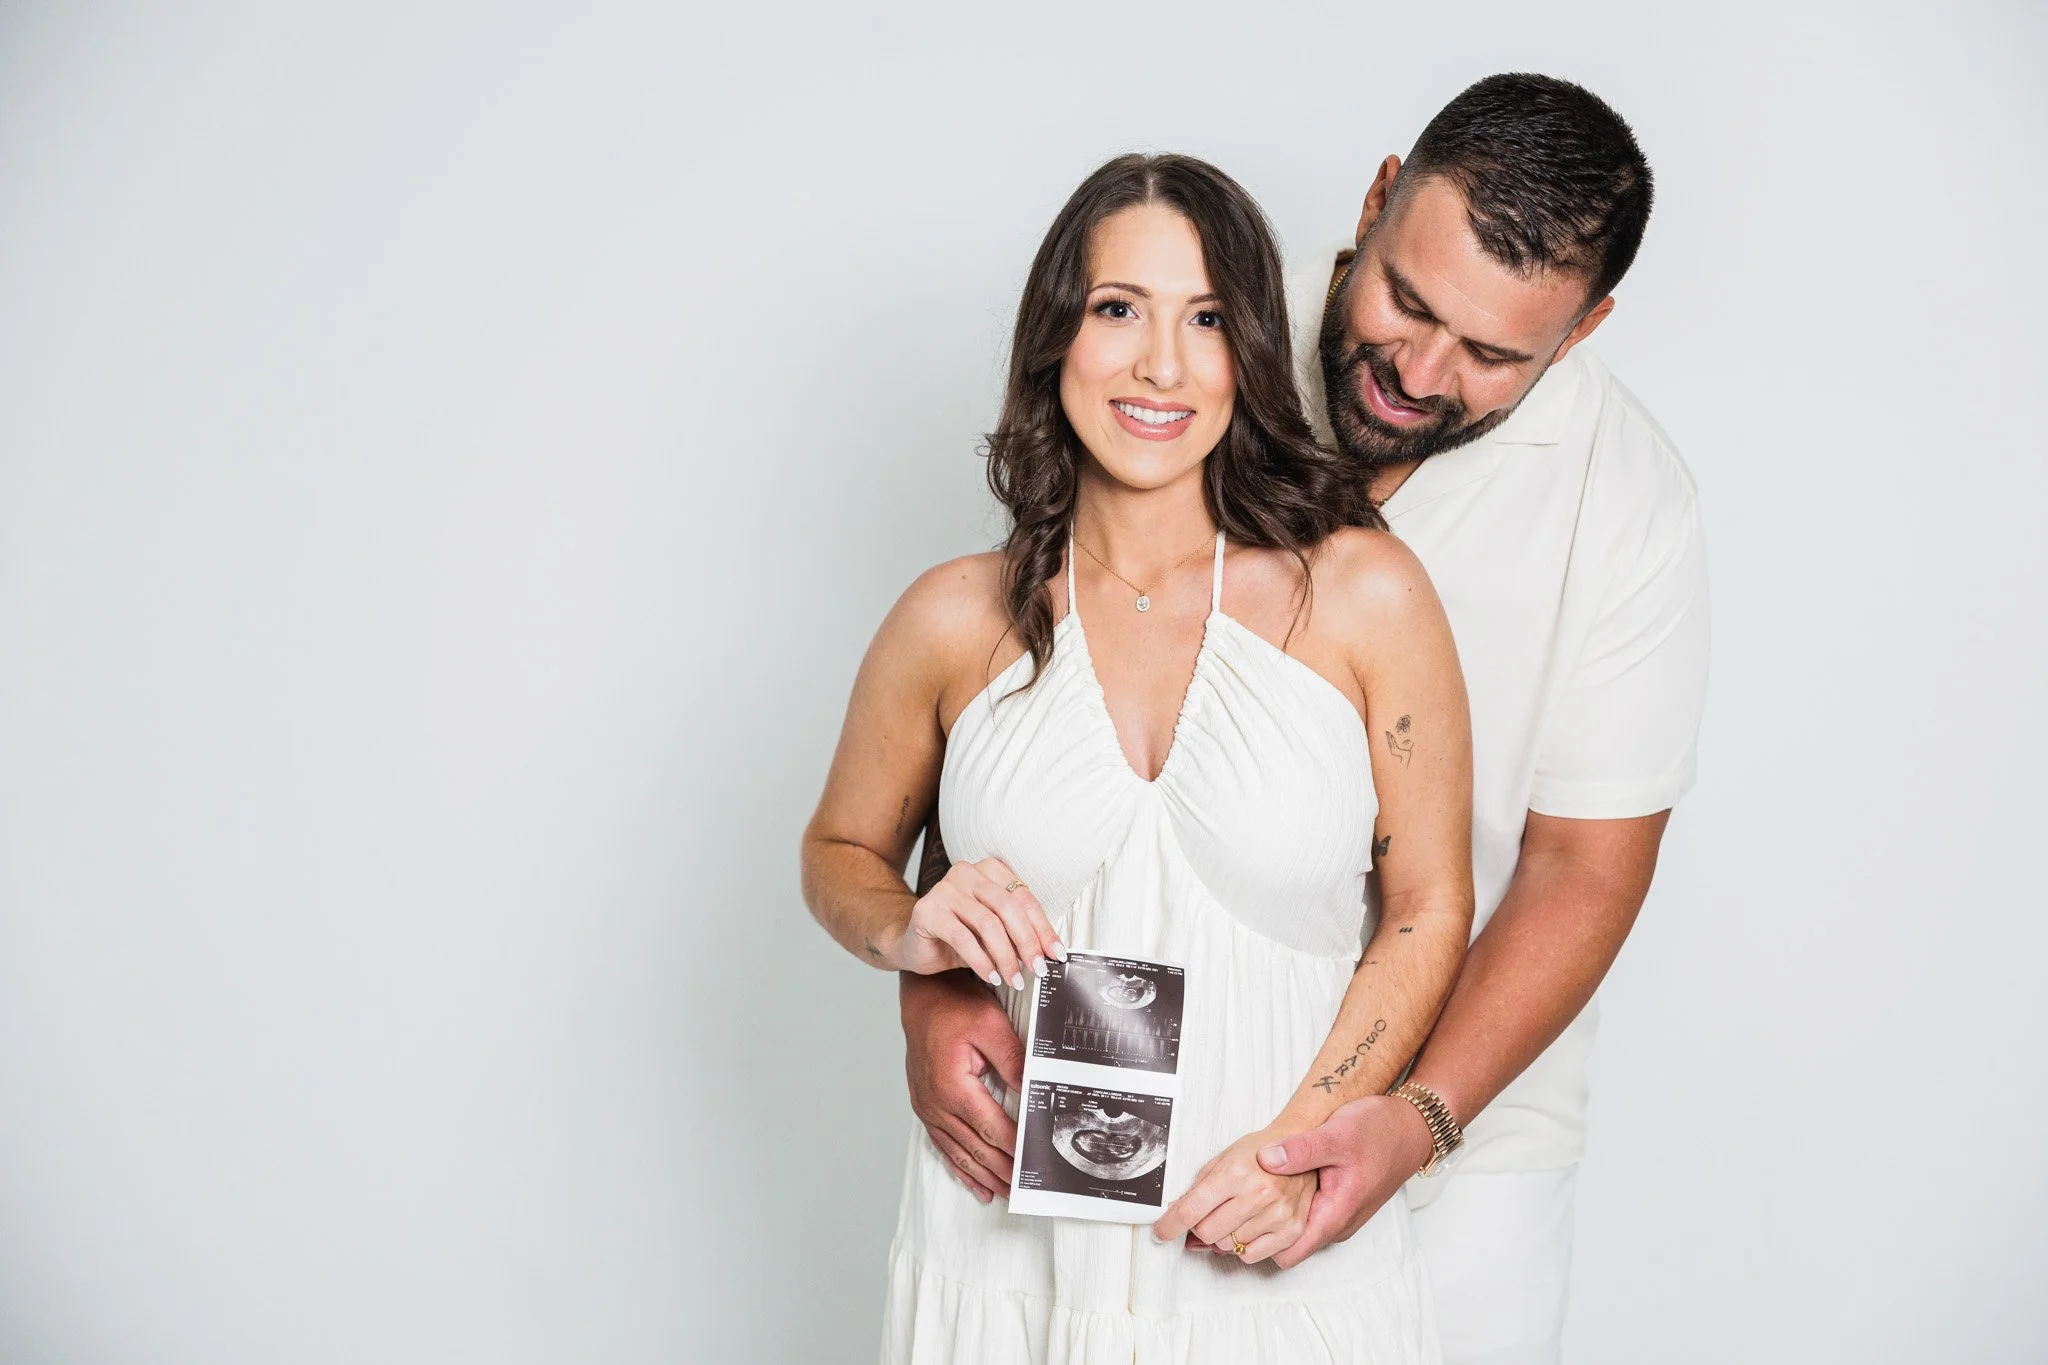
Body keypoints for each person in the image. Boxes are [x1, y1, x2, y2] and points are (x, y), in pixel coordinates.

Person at [898, 74, 1711, 1365]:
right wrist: (935, 996)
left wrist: (1413, 1121)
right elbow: (1021, 713)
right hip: (1105, 1108)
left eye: (1494, 354)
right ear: (1379, 199)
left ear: (1586, 327)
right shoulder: (1197, 333)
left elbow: (1582, 868)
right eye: (1407, 301)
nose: (1418, 371)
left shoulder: (1632, 509)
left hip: (1462, 1132)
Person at [801, 153, 1478, 1361]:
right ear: (1055, 335)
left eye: (1206, 319)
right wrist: (913, 947)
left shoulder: (1365, 594)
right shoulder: (954, 618)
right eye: (1118, 309)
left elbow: (1428, 909)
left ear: (1250, 352)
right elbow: (840, 849)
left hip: (1267, 1241)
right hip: (1005, 1250)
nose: (1160, 364)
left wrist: (1303, 1150)